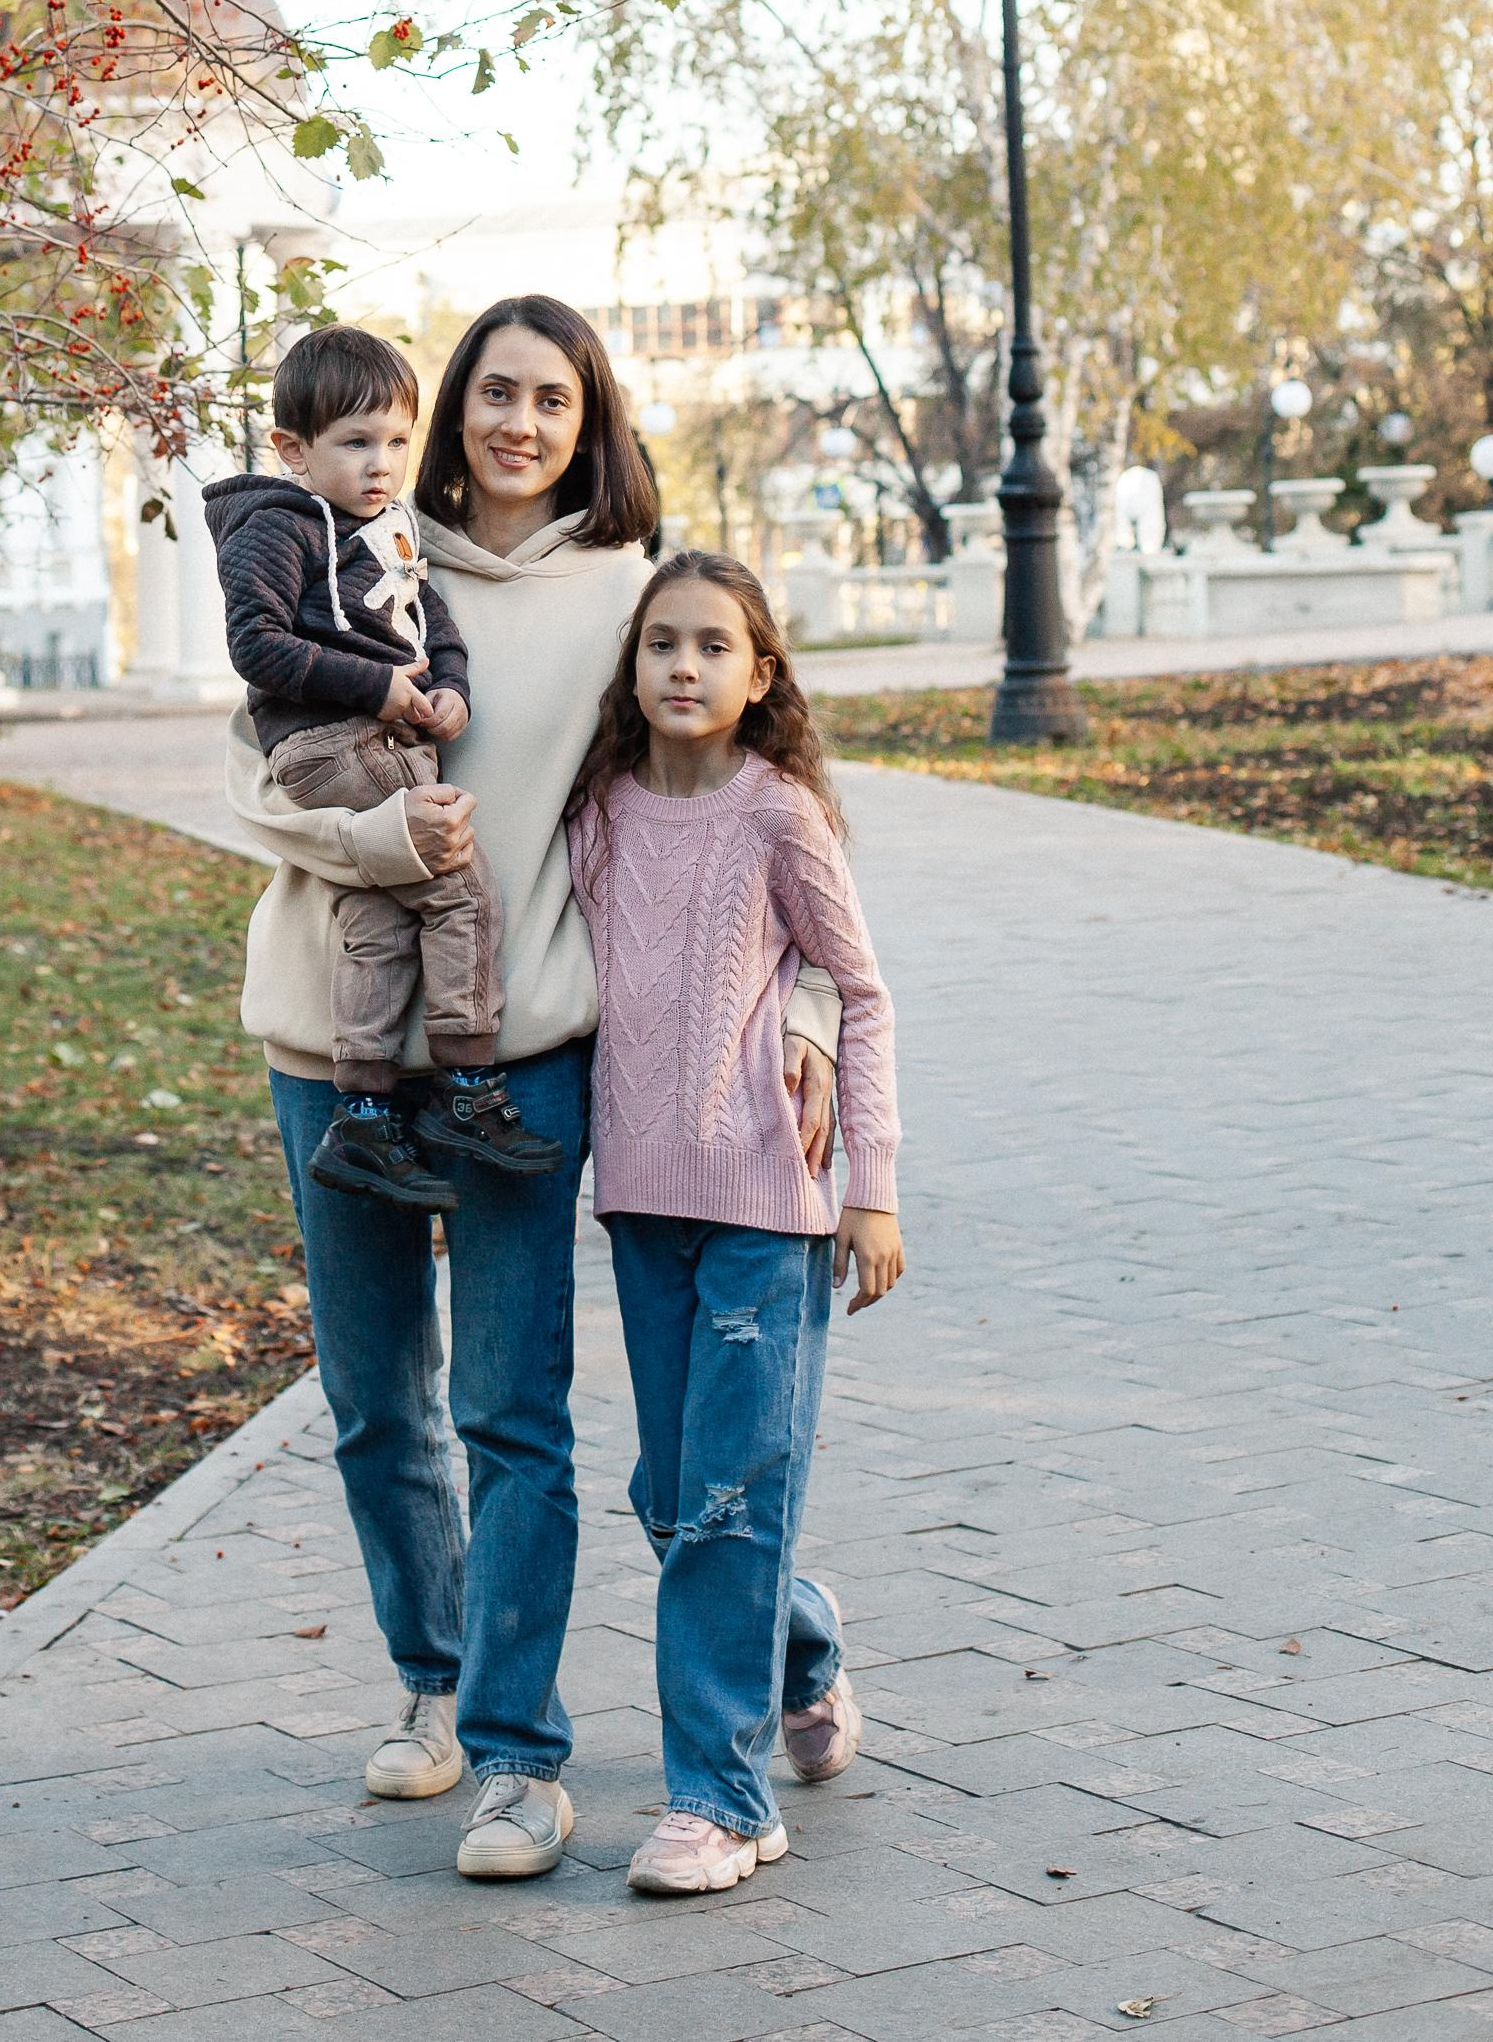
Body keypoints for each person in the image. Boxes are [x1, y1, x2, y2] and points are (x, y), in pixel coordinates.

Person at [228, 295, 847, 1882]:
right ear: (452, 413)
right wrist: (379, 846)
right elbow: (257, 784)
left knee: (512, 1414)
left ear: (592, 423)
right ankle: (431, 1689)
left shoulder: (635, 596)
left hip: (522, 1052)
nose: (517, 422)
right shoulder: (354, 543)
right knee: (377, 1400)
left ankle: (519, 1760)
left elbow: (734, 806)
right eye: (493, 393)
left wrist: (816, 1021)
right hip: (335, 1032)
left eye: (550, 400)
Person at [567, 549, 904, 1899]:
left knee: (725, 1504)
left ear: (762, 676)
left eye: (714, 646)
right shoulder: (597, 814)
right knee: (675, 1498)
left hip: (770, 1210)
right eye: (662, 644)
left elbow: (856, 990)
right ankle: (805, 1651)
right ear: (632, 667)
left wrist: (869, 1186)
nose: (684, 667)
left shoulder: (780, 819)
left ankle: (721, 1798)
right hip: (641, 1205)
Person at [203, 325, 565, 1206]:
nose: (381, 463)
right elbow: (255, 645)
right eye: (356, 443)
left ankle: (362, 1113)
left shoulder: (390, 527)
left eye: (397, 441)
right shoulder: (275, 528)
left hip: (384, 734)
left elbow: (429, 620)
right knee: (459, 889)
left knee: (377, 917)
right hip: (330, 745)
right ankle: (468, 1086)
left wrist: (449, 688)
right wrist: (378, 692)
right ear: (293, 449)